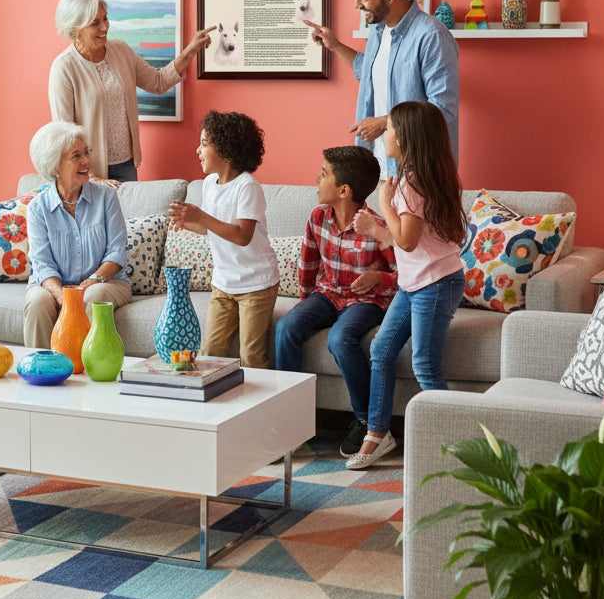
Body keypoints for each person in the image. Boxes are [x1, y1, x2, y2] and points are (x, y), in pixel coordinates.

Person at [344, 100, 467, 470]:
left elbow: (408, 241)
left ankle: (457, 446)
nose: (386, 134)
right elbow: (417, 238)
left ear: (409, 137)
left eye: (391, 129)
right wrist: (388, 216)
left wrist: (381, 216)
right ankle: (378, 435)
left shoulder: (412, 183)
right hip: (419, 282)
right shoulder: (425, 175)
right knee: (381, 349)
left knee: (424, 363)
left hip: (435, 282)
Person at [273, 146, 398, 457]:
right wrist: (305, 307)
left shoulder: (375, 226)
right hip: (327, 294)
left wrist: (378, 279)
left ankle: (366, 421)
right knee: (286, 327)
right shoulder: (318, 217)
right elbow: (308, 266)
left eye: (324, 174)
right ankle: (292, 419)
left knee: (341, 340)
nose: (317, 178)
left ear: (344, 190)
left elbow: (403, 273)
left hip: (366, 301)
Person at [304, 0, 459, 175]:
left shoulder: (432, 36)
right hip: (379, 168)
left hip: (421, 174)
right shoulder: (378, 31)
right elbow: (368, 71)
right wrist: (335, 45)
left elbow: (442, 109)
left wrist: (386, 122)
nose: (357, 4)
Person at [49, 0, 214, 183]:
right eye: (95, 23)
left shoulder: (121, 51)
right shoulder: (64, 67)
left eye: (105, 19)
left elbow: (158, 82)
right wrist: (90, 175)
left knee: (128, 214)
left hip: (126, 164)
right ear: (75, 29)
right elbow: (64, 133)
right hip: (87, 170)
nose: (104, 27)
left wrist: (190, 50)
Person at [168, 111, 279, 369]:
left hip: (256, 284)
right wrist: (187, 221)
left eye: (205, 144)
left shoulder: (247, 186)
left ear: (227, 152)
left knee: (250, 356)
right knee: (209, 353)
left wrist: (201, 217)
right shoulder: (208, 184)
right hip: (223, 283)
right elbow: (211, 228)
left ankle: (259, 408)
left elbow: (242, 235)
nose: (198, 150)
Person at [23, 120, 132, 349]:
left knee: (94, 297)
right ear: (54, 167)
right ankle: (42, 371)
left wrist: (84, 287)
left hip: (106, 283)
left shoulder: (106, 198)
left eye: (86, 153)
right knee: (37, 301)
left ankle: (89, 372)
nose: (85, 161)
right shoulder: (37, 208)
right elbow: (42, 264)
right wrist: (64, 297)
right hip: (54, 285)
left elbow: (116, 253)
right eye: (76, 156)